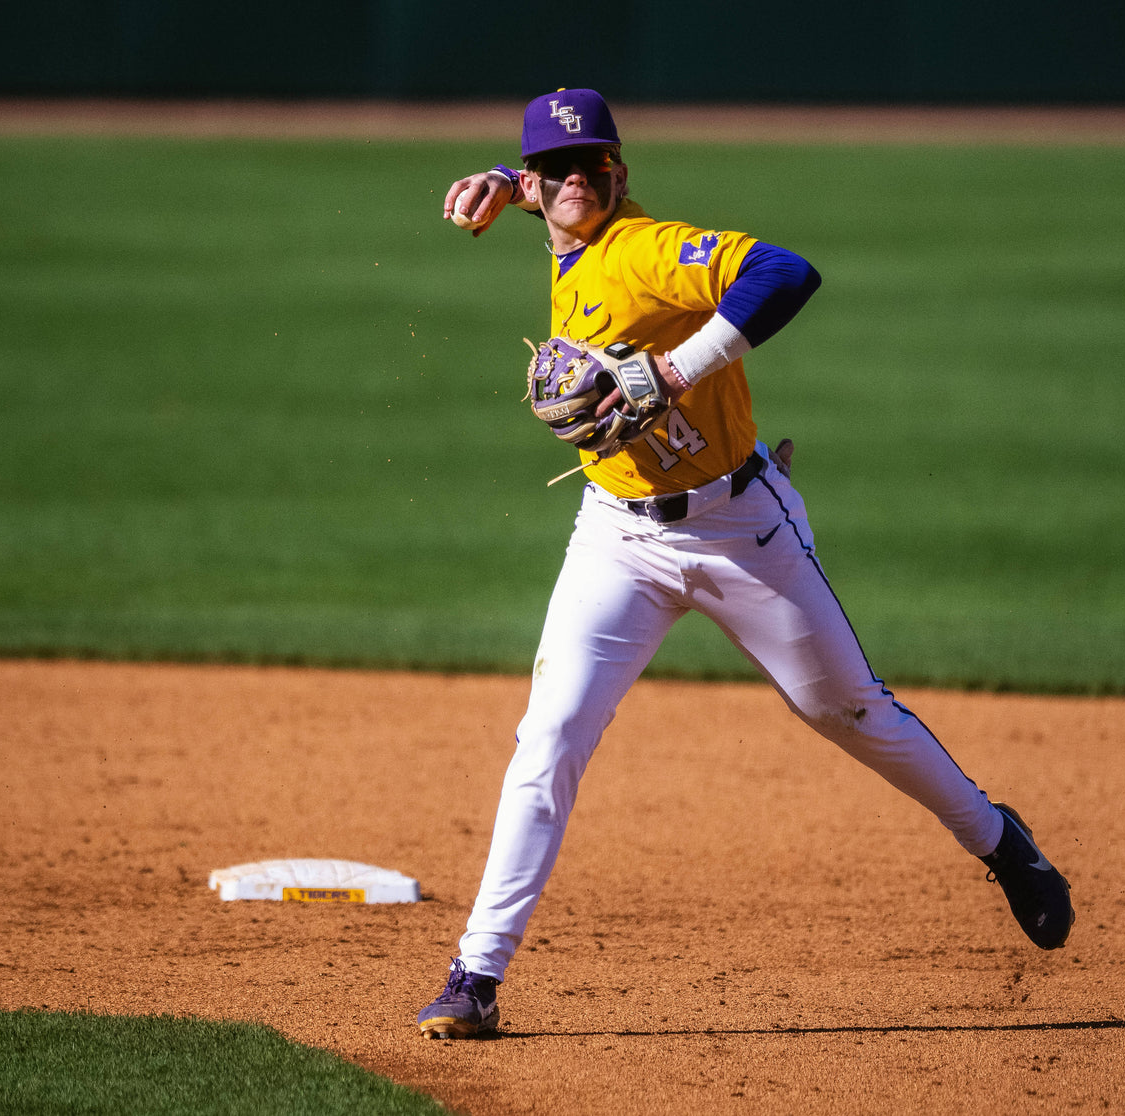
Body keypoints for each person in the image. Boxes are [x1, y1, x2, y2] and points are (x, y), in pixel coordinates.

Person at [416, 89, 1073, 1040]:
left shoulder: (644, 247)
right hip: (616, 538)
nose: (577, 182)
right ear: (534, 180)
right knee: (549, 737)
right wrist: (499, 185)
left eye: (594, 165)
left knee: (843, 709)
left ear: (620, 173)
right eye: (556, 172)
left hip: (739, 530)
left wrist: (675, 370)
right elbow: (554, 209)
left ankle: (998, 841)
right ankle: (474, 976)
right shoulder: (559, 220)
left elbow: (785, 271)